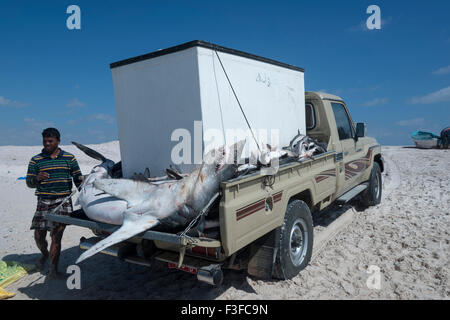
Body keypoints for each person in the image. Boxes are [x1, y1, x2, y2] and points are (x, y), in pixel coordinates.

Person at [26, 128, 83, 278]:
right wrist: (36, 178)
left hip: (63, 201)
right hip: (43, 201)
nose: (47, 144)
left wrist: (85, 195)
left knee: (56, 237)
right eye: (45, 141)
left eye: (50, 141)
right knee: (39, 236)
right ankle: (44, 254)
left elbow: (78, 179)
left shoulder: (69, 158)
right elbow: (29, 182)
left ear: (58, 141)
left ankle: (53, 269)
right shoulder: (36, 160)